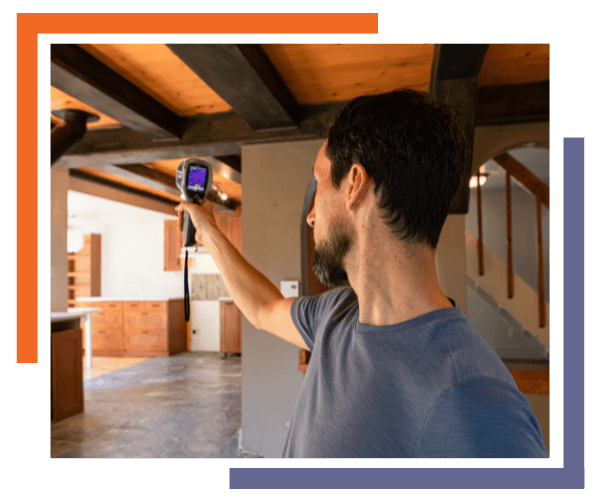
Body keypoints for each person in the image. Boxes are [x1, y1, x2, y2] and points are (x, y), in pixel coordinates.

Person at [175, 88, 549, 458]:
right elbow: (262, 307)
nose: (310, 215)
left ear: (355, 184)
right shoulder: (335, 314)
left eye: (320, 183)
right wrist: (207, 230)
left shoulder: (473, 404)